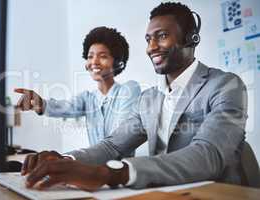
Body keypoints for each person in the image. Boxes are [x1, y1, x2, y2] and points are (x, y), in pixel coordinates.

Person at [21, 2, 248, 191]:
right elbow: (113, 146)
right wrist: (64, 160)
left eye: (162, 36)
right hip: (162, 192)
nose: (151, 47)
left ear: (191, 39)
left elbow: (208, 155)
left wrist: (112, 173)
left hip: (214, 193)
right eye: (148, 39)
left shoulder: (225, 85)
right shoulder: (149, 98)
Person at [15, 26, 141, 146]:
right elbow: (64, 107)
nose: (94, 62)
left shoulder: (127, 91)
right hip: (94, 165)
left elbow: (120, 139)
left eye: (103, 56)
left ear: (118, 62)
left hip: (119, 167)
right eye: (90, 56)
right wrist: (40, 104)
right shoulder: (87, 98)